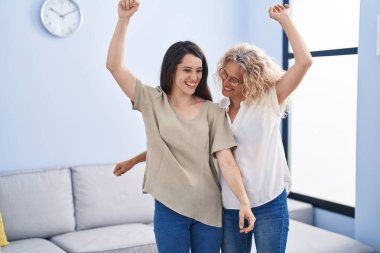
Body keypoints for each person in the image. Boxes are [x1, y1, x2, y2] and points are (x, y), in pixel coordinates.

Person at [115, 3, 312, 253]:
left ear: (250, 80)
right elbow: (185, 145)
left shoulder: (268, 102)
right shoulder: (216, 110)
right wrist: (134, 160)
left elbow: (304, 62)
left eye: (234, 79)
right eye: (223, 73)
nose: (225, 83)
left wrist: (285, 21)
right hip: (230, 205)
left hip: (269, 201)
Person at [106, 1, 255, 253]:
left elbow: (226, 161)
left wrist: (244, 202)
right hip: (169, 209)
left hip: (208, 210)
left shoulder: (212, 112)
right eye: (187, 69)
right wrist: (123, 20)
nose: (194, 77)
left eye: (199, 70)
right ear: (172, 70)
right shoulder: (152, 100)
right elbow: (114, 66)